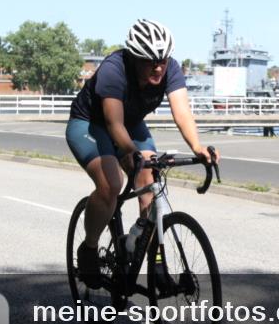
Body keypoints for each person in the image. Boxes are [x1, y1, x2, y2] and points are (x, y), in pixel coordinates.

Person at [66, 19, 219, 288]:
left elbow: (182, 112)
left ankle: (144, 250)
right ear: (135, 58)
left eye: (162, 60)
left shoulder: (170, 69)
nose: (158, 67)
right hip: (90, 124)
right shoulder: (114, 69)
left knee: (150, 180)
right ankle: (89, 247)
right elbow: (113, 123)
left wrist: (197, 147)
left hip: (132, 124)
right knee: (111, 184)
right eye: (150, 62)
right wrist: (130, 152)